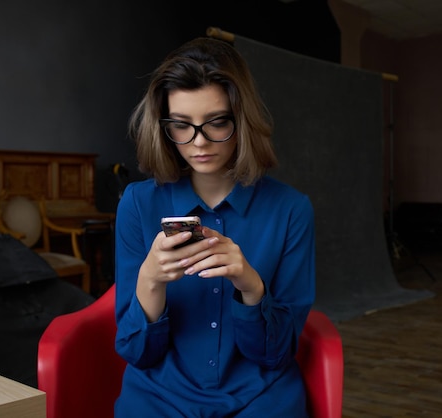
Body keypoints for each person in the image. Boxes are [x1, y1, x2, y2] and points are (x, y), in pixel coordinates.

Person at [114, 37, 316, 417]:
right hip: (159, 396)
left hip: (262, 395)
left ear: (243, 120)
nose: (199, 142)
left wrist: (251, 287)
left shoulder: (291, 210)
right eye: (181, 126)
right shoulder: (137, 203)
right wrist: (150, 280)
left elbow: (276, 354)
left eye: (217, 122)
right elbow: (137, 353)